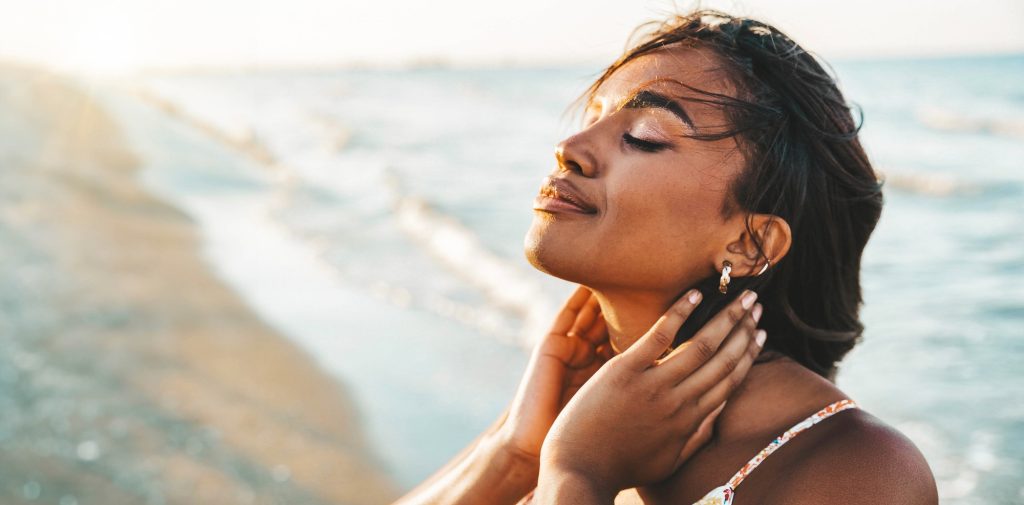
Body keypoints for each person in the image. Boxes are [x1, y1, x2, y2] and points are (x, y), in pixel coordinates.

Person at [394, 9, 937, 505]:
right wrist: (514, 453)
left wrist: (579, 476)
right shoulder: (581, 429)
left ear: (749, 244)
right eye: (594, 116)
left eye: (643, 136)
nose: (572, 147)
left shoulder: (858, 471)